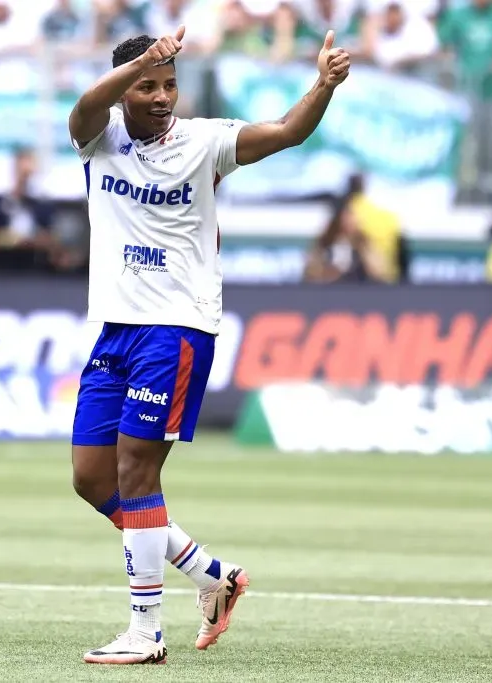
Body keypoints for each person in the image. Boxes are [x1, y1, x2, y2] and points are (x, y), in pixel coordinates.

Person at [67, 25, 350, 665]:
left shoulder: (205, 142)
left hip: (176, 327)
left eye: (169, 84)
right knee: (91, 478)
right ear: (124, 92)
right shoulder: (98, 139)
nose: (163, 96)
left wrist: (324, 85)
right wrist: (138, 62)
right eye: (148, 85)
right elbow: (85, 106)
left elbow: (287, 132)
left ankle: (145, 632)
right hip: (114, 327)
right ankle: (212, 576)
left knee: (138, 471)